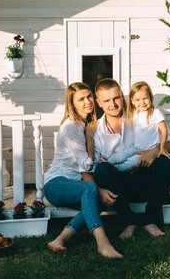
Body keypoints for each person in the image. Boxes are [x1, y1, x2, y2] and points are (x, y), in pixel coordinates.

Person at [43, 82, 122, 258]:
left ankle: (59, 239)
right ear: (72, 104)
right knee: (92, 190)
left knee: (98, 200)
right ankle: (102, 242)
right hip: (56, 184)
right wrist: (89, 137)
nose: (88, 101)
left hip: (75, 185)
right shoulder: (71, 127)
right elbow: (86, 165)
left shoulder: (84, 124)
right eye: (81, 99)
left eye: (88, 96)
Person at [92, 78, 170, 239]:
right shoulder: (96, 131)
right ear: (99, 103)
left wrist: (154, 151)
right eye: (106, 100)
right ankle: (128, 221)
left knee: (165, 162)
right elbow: (94, 167)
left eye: (116, 98)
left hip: (147, 181)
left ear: (123, 97)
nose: (113, 104)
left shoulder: (143, 116)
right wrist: (99, 189)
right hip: (119, 190)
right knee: (103, 169)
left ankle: (150, 219)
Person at [106, 81, 170, 171]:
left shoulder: (155, 113)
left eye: (145, 98)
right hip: (136, 147)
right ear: (132, 101)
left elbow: (164, 130)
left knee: (133, 161)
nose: (142, 102)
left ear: (150, 98)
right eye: (138, 100)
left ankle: (117, 169)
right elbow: (124, 107)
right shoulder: (134, 114)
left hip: (149, 149)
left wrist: (162, 148)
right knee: (119, 156)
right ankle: (106, 163)